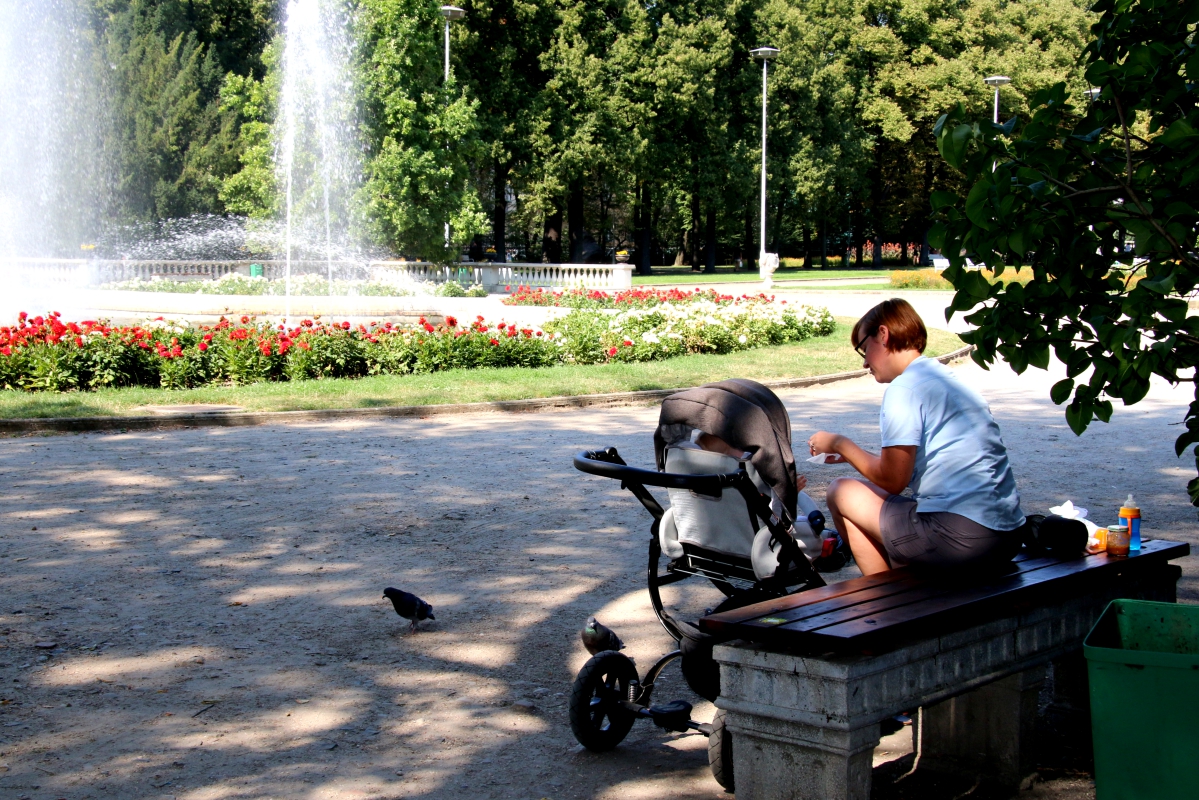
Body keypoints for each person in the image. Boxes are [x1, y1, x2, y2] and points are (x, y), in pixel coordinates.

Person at [807, 299, 1024, 575]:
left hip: (962, 539)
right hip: (1008, 536)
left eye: (864, 348)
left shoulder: (904, 389)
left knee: (841, 491)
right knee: (895, 522)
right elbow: (909, 468)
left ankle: (884, 594)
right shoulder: (948, 379)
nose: (864, 363)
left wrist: (840, 444)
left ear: (883, 335)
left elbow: (893, 480)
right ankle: (903, 585)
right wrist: (850, 457)